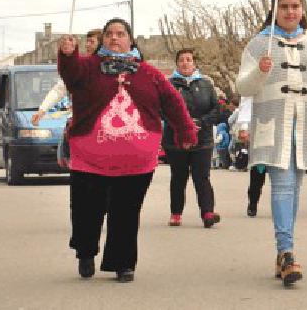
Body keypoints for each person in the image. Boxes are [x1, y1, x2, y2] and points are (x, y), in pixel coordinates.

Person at [58, 18, 197, 282]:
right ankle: (86, 252)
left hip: (136, 161)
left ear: (130, 40)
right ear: (103, 40)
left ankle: (123, 263)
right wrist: (67, 54)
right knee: (87, 209)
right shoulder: (88, 68)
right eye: (109, 34)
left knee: (126, 211)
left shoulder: (149, 74)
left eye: (120, 34)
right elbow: (70, 72)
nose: (114, 38)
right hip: (90, 158)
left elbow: (173, 102)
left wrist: (186, 131)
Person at [235, 0, 307, 286]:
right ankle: (286, 251)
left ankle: (283, 250)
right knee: (283, 186)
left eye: (295, 6)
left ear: (302, 8)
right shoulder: (260, 44)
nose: (290, 11)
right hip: (274, 125)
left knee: (295, 188)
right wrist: (259, 72)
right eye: (284, 6)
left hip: (306, 126)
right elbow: (242, 87)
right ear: (274, 9)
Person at [163, 48, 225, 228]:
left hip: (202, 139)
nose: (185, 63)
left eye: (189, 59)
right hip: (176, 139)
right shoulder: (168, 84)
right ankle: (176, 213)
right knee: (178, 177)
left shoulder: (206, 83)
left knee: (202, 177)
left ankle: (207, 213)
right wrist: (183, 124)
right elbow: (162, 109)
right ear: (177, 64)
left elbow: (217, 109)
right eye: (181, 60)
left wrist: (201, 122)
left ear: (194, 63)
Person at [39, 29, 102, 168]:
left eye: (92, 42)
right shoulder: (81, 66)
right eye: (87, 42)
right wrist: (43, 109)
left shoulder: (110, 67)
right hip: (82, 125)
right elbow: (60, 87)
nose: (87, 45)